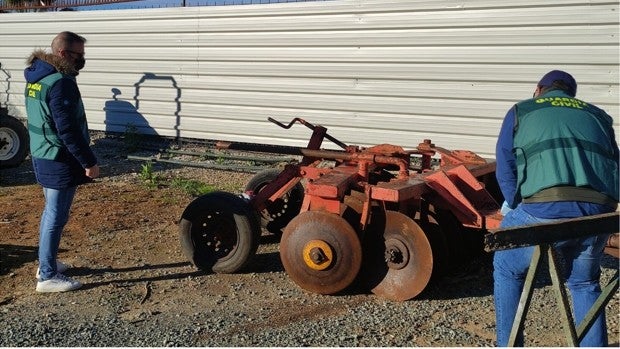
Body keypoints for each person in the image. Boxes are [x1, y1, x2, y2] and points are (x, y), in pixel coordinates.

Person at [493, 70, 619, 346]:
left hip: (543, 210)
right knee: (584, 283)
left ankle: (508, 344)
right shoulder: (598, 116)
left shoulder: (521, 110)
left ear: (540, 89)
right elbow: (614, 165)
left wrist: (515, 205)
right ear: (570, 94)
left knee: (506, 266)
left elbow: (505, 168)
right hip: (599, 214)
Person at [24, 31, 100, 292]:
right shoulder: (60, 82)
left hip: (42, 153)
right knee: (56, 215)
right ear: (63, 54)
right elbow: (67, 129)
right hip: (58, 158)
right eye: (79, 55)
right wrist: (88, 161)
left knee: (50, 212)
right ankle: (46, 276)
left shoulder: (38, 75)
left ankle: (47, 262)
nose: (82, 59)